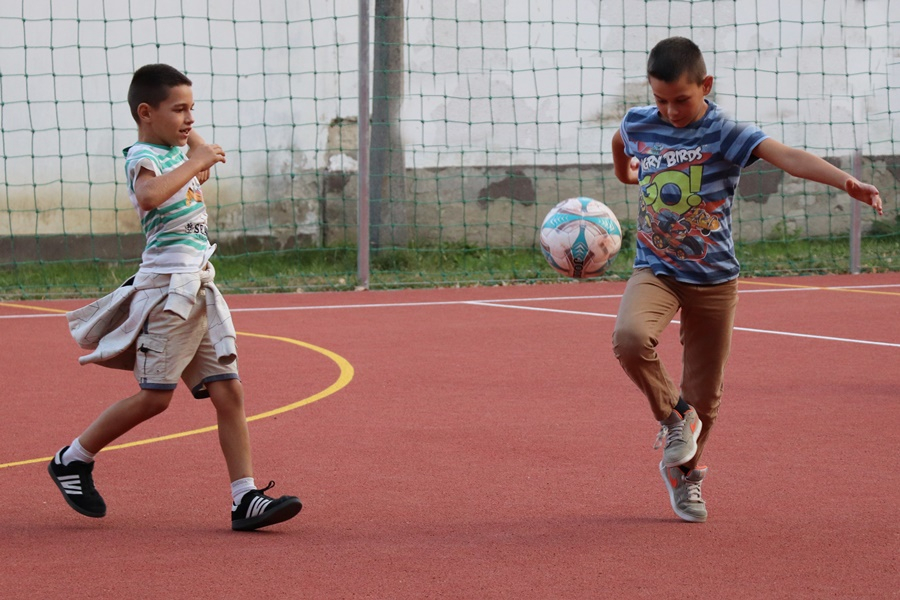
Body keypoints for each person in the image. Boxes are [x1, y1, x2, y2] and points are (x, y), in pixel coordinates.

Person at [610, 37, 883, 523]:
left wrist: (847, 181)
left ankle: (684, 475)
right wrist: (625, 175)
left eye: (681, 100)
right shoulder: (639, 123)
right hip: (656, 269)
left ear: (706, 86)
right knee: (630, 338)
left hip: (714, 281)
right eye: (661, 100)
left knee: (706, 397)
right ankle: (675, 420)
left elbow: (788, 156)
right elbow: (621, 141)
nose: (670, 111)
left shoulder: (724, 132)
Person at [48, 64, 302, 531]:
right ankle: (72, 459)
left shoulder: (179, 150)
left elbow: (196, 146)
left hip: (199, 291)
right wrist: (194, 159)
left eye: (193, 109)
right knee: (155, 398)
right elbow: (148, 196)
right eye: (179, 109)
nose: (189, 118)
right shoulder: (144, 155)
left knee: (229, 393)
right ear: (146, 113)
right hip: (168, 293)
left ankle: (244, 499)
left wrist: (190, 141)